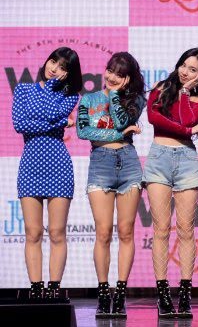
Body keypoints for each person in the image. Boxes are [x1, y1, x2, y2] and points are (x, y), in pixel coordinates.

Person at [144, 48, 198, 318]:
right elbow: (154, 119)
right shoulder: (161, 88)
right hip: (159, 158)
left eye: (193, 69)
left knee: (186, 229)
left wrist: (185, 92)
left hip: (186, 160)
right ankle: (163, 295)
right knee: (161, 229)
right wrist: (186, 130)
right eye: (184, 65)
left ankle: (185, 295)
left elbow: (186, 117)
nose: (185, 72)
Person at [76, 52, 146, 318]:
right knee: (103, 232)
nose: (112, 77)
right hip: (101, 164)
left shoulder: (136, 100)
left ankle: (121, 294)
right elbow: (84, 131)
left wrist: (116, 95)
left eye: (119, 74)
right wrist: (120, 133)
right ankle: (104, 293)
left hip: (128, 163)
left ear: (128, 78)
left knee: (126, 232)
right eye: (110, 70)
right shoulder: (89, 99)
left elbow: (121, 120)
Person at [12, 47, 82, 301]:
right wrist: (61, 123)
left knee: (57, 232)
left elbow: (50, 112)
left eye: (63, 67)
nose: (54, 68)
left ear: (68, 74)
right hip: (30, 165)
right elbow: (20, 124)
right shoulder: (22, 89)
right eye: (53, 62)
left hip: (58, 166)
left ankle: (54, 288)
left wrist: (54, 109)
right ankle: (35, 288)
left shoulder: (70, 96)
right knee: (32, 232)